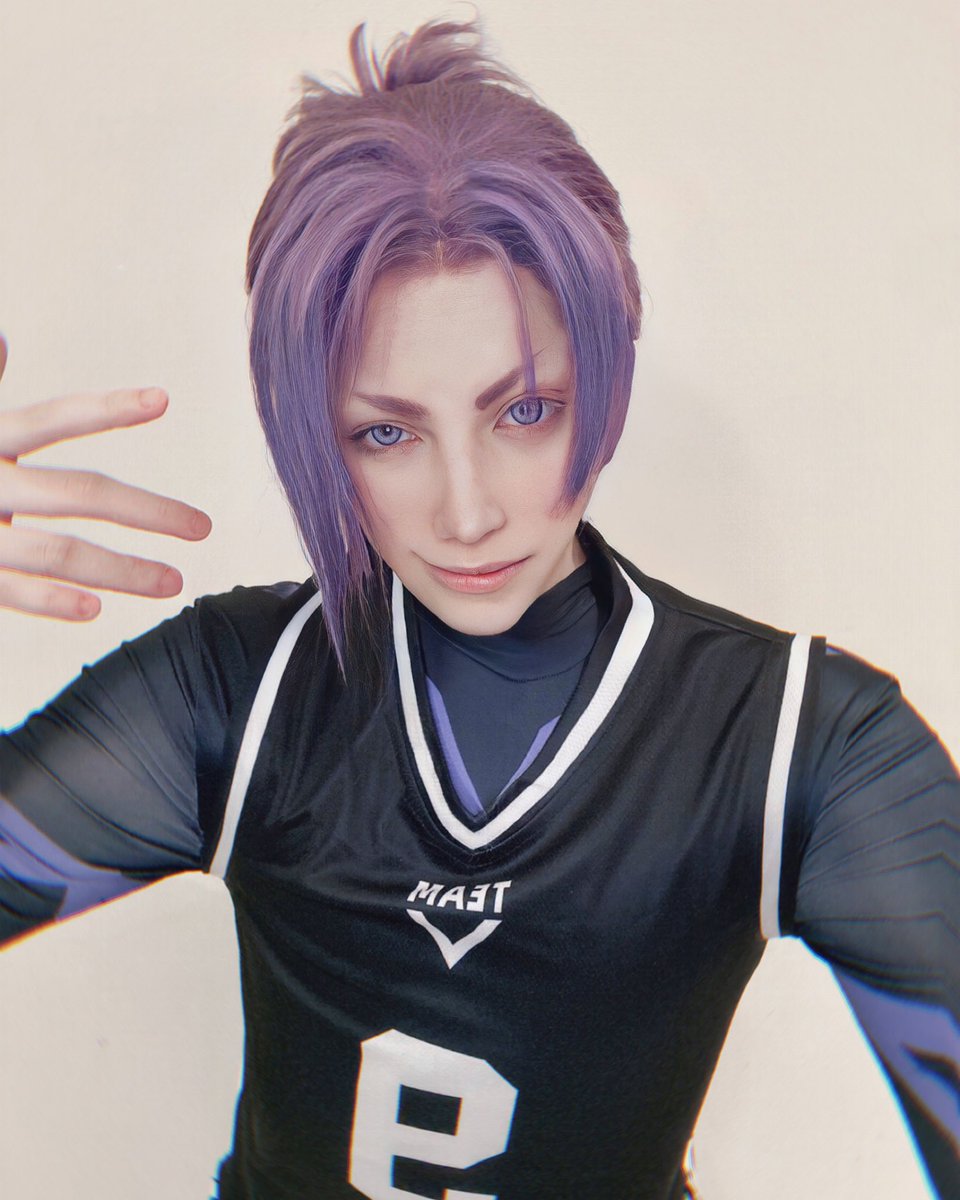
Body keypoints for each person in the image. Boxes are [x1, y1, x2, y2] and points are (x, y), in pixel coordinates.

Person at [1, 14, 957, 1200]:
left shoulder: (801, 745)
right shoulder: (238, 694)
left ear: (610, 364)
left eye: (524, 411)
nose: (467, 512)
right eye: (386, 432)